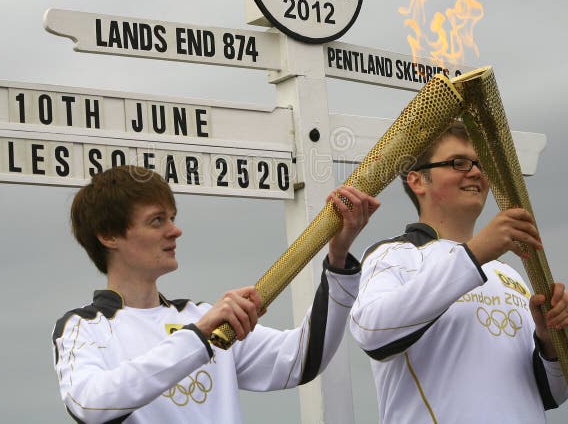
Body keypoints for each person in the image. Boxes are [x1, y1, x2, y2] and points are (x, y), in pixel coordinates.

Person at [52, 165, 379, 423]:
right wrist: (199, 337)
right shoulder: (85, 326)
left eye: (172, 218)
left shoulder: (200, 315)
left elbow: (303, 359)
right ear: (109, 235)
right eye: (156, 221)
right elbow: (89, 405)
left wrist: (338, 261)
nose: (175, 230)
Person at [349, 121, 568, 423]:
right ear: (418, 181)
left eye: (481, 164)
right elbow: (372, 332)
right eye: (459, 163)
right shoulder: (394, 256)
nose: (476, 172)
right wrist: (475, 253)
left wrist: (550, 343)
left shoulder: (509, 275)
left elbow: (551, 394)